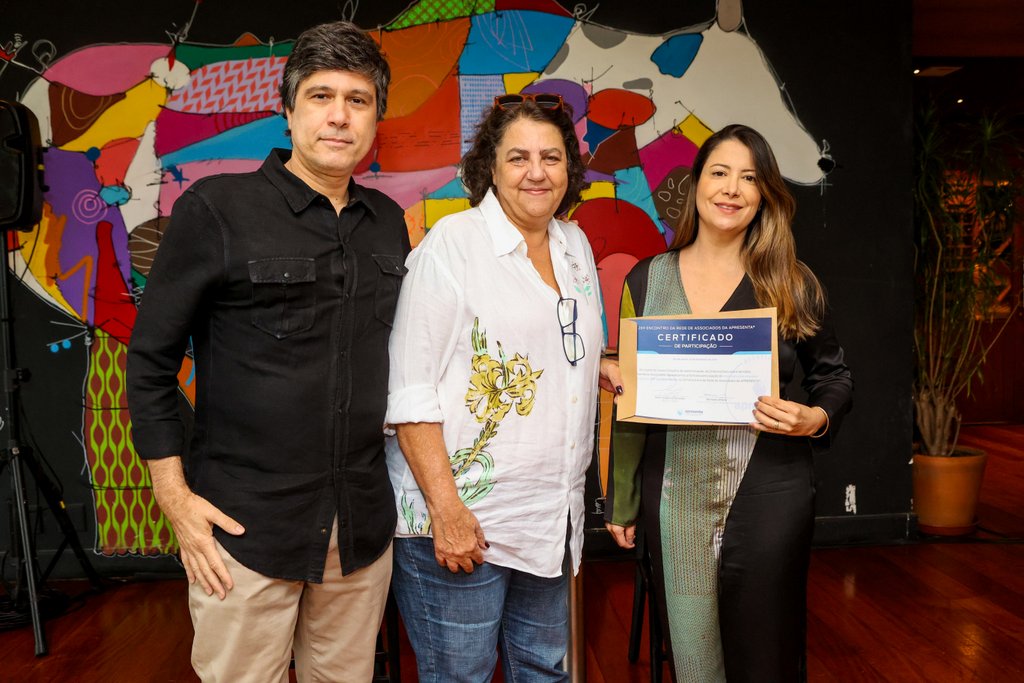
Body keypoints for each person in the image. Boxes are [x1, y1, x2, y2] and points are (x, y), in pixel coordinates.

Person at [126, 21, 409, 682]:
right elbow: (149, 362)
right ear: (288, 110)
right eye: (320, 96)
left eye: (358, 99)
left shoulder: (389, 224)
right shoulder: (216, 209)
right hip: (245, 527)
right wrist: (174, 498)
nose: (339, 115)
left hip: (360, 528)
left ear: (376, 120)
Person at [384, 91, 620, 682]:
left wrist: (600, 367)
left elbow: (561, 346)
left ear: (571, 168)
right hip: (467, 517)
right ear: (489, 167)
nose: (537, 172)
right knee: (459, 676)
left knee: (542, 669)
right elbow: (410, 392)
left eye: (552, 157)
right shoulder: (452, 247)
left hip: (548, 515)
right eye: (518, 158)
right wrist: (447, 510)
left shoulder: (575, 247)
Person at [604, 124, 853, 682]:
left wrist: (815, 417)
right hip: (673, 495)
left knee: (766, 653)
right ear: (696, 186)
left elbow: (834, 378)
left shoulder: (791, 282)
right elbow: (628, 399)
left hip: (769, 492)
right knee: (692, 656)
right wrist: (621, 500)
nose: (732, 188)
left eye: (749, 177)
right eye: (720, 173)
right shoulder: (646, 281)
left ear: (765, 194)